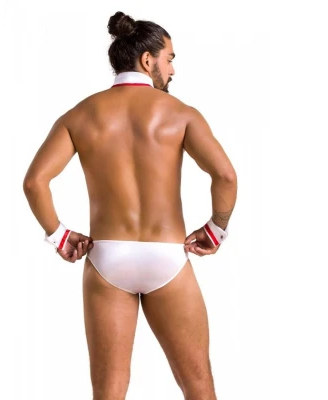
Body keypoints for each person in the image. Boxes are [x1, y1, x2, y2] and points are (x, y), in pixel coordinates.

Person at [23, 10, 237, 400]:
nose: (172, 70)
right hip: (167, 257)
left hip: (107, 260)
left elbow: (35, 182)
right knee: (199, 386)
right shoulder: (181, 114)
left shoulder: (80, 115)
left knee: (109, 391)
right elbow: (225, 176)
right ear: (147, 60)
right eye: (169, 59)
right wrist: (215, 229)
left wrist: (60, 236)